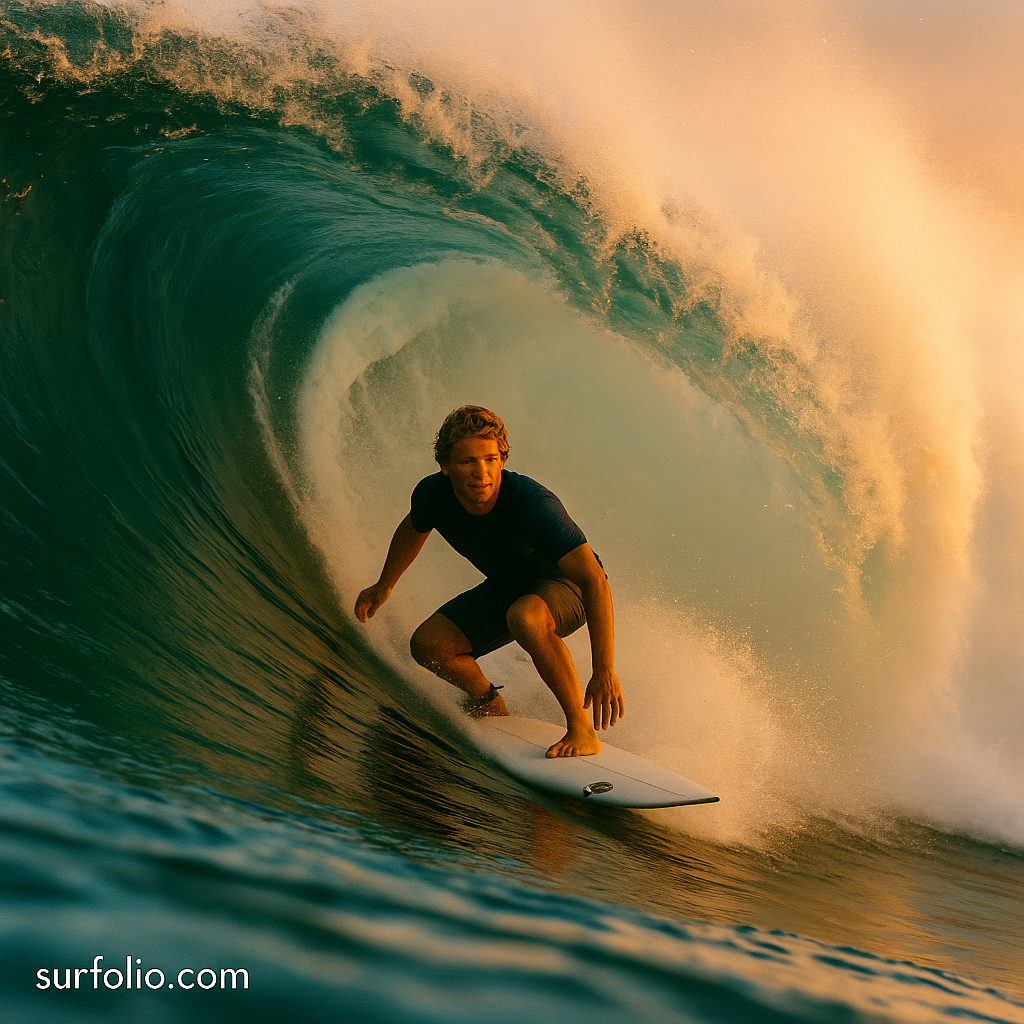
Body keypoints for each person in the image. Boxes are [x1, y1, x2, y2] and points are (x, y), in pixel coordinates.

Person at [354, 405, 624, 758]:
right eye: (468, 461)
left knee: (525, 616)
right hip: (511, 586)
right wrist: (384, 584)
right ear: (445, 465)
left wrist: (603, 668)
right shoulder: (433, 494)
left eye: (491, 459)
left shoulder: (531, 502)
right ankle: (488, 701)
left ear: (502, 460)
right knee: (428, 646)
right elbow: (414, 528)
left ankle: (581, 729)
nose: (481, 473)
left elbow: (594, 581)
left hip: (567, 587)